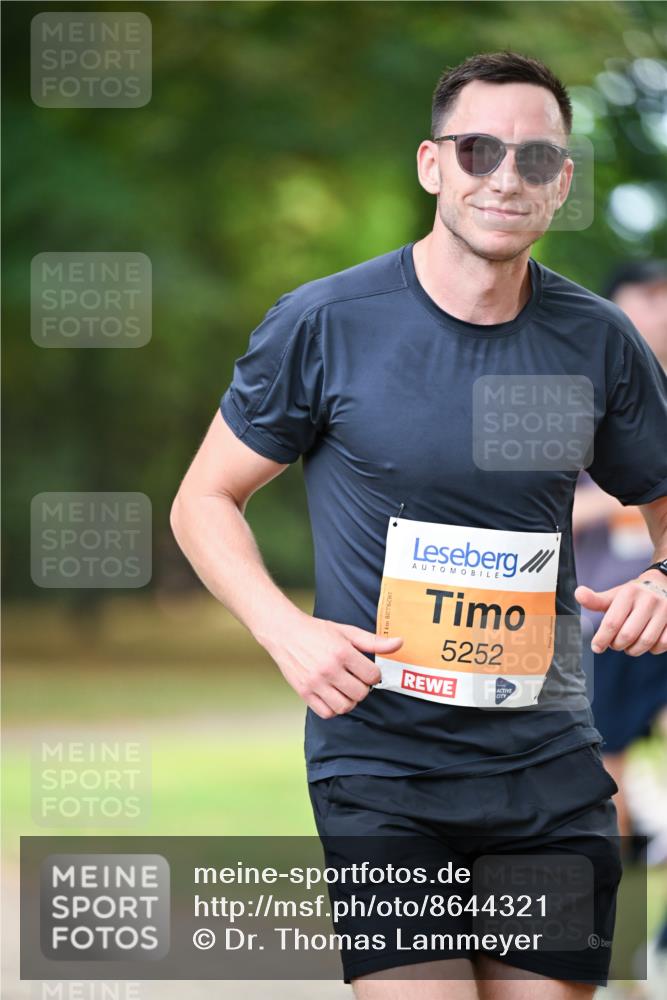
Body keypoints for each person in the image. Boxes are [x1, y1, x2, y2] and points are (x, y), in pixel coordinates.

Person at [171, 50, 667, 1000]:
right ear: (431, 164)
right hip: (381, 766)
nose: (503, 177)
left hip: (549, 764)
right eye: (477, 149)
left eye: (533, 158)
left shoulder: (597, 340)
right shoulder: (326, 324)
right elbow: (202, 500)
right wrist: (287, 632)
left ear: (561, 182)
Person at [572, 259, 667, 846]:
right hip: (607, 621)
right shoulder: (581, 397)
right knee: (607, 770)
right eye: (649, 298)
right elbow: (550, 508)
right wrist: (628, 495)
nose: (660, 313)